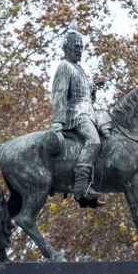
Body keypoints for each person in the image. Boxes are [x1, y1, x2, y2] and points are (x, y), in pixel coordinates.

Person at [51, 28, 103, 202]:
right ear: (66, 48)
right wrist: (58, 121)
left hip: (89, 113)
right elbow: (59, 95)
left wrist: (94, 89)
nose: (79, 50)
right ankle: (80, 186)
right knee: (94, 141)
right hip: (76, 114)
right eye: (76, 46)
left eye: (81, 47)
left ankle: (92, 183)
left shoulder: (80, 69)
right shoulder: (64, 66)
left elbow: (86, 97)